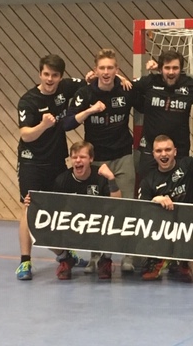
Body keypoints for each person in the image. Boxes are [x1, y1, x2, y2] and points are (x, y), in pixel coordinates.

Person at [64, 48, 137, 274]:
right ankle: (96, 256)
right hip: (96, 161)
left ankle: (128, 256)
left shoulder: (125, 89)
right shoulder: (85, 93)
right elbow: (67, 123)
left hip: (123, 157)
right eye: (102, 68)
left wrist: (126, 79)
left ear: (117, 69)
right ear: (95, 70)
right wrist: (90, 110)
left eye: (110, 68)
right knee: (97, 210)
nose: (106, 72)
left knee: (126, 207)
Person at [16, 54, 87, 280]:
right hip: (32, 163)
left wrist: (115, 77)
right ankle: (25, 262)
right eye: (46, 74)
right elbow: (25, 135)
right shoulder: (28, 101)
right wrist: (43, 125)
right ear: (40, 74)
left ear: (60, 76)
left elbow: (91, 79)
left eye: (54, 75)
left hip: (56, 161)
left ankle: (65, 254)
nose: (49, 79)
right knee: (29, 208)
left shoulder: (65, 87)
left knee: (57, 210)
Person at [137, 114, 193, 284]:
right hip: (162, 232)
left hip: (187, 230)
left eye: (168, 150)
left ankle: (182, 260)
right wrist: (156, 201)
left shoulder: (187, 165)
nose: (164, 154)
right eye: (159, 151)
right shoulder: (148, 180)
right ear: (153, 154)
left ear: (175, 152)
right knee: (143, 269)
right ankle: (160, 257)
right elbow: (140, 209)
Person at [28, 141, 122, 280]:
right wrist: (32, 202)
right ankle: (65, 258)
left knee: (118, 219)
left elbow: (118, 203)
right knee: (41, 227)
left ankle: (105, 260)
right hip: (72, 225)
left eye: (82, 157)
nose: (78, 160)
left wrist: (111, 178)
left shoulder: (101, 176)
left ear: (91, 159)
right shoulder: (62, 180)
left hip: (97, 225)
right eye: (74, 157)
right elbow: (51, 208)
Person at [133, 50, 193, 179]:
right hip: (150, 151)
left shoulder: (190, 85)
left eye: (175, 68)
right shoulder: (149, 81)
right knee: (148, 188)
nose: (171, 72)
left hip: (179, 151)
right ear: (160, 69)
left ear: (181, 70)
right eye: (167, 68)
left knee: (180, 189)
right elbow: (124, 87)